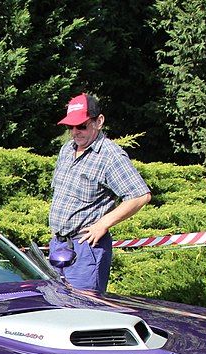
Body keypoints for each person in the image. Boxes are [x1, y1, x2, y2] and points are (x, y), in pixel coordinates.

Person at [48, 93, 151, 293]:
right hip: (58, 245)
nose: (75, 132)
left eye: (81, 126)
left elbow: (140, 195)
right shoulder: (67, 150)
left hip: (86, 248)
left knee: (82, 307)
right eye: (70, 127)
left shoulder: (110, 156)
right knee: (56, 305)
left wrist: (103, 224)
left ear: (99, 122)